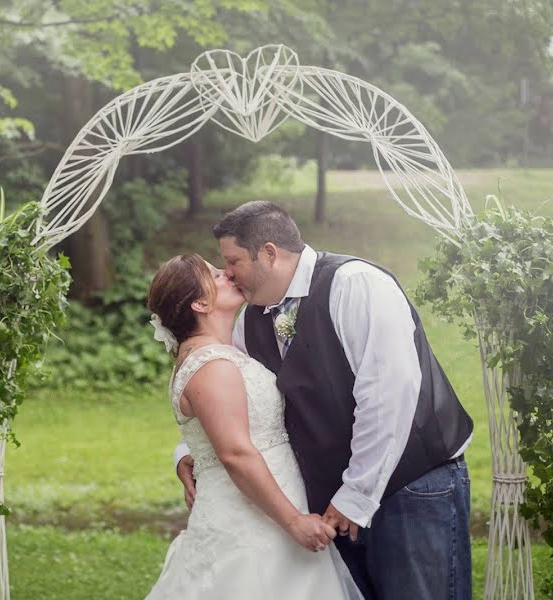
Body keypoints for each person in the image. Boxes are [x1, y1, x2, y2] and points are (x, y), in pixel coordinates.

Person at [174, 201, 474, 600]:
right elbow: (225, 397)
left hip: (410, 487)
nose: (226, 274)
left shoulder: (357, 284)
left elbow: (388, 396)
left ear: (268, 253)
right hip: (332, 504)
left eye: (232, 261)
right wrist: (189, 450)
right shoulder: (249, 321)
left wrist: (356, 495)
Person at [145, 254, 362, 600]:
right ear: (200, 303)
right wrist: (293, 521)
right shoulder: (211, 365)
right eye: (215, 275)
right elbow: (235, 453)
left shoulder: (216, 355)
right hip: (252, 521)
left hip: (267, 503)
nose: (228, 274)